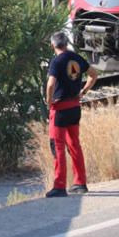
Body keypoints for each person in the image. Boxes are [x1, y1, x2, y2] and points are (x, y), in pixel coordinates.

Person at [44, 31, 98, 198]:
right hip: (75, 107)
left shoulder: (56, 61)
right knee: (74, 145)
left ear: (53, 45)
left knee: (58, 146)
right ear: (66, 43)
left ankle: (59, 186)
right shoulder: (76, 58)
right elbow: (94, 74)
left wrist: (49, 100)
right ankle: (80, 183)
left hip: (60, 109)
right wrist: (83, 91)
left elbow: (51, 84)